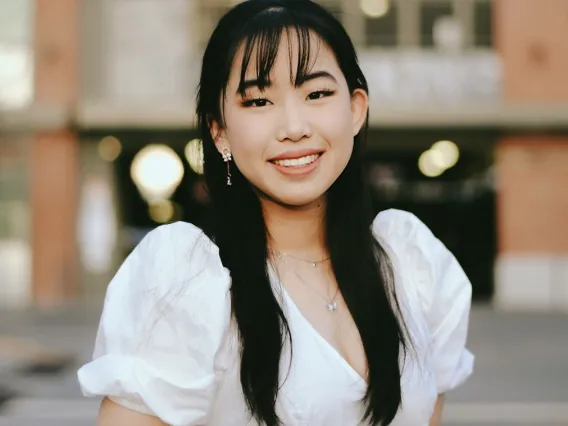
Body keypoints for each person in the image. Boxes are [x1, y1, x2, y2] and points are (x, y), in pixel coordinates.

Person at [78, 1, 474, 425]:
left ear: (356, 108)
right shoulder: (187, 281)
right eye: (258, 101)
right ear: (219, 130)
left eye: (317, 94)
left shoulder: (411, 265)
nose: (293, 126)